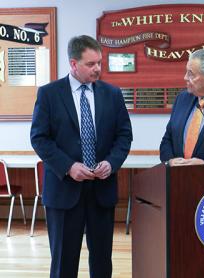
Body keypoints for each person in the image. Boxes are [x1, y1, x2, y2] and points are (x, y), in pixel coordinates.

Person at [30, 35, 132, 278]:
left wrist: (111, 162)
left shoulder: (112, 94)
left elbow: (124, 136)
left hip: (101, 191)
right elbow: (39, 138)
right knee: (64, 263)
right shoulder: (49, 94)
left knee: (102, 263)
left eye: (99, 62)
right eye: (90, 64)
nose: (97, 68)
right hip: (64, 191)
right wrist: (68, 166)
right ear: (73, 64)